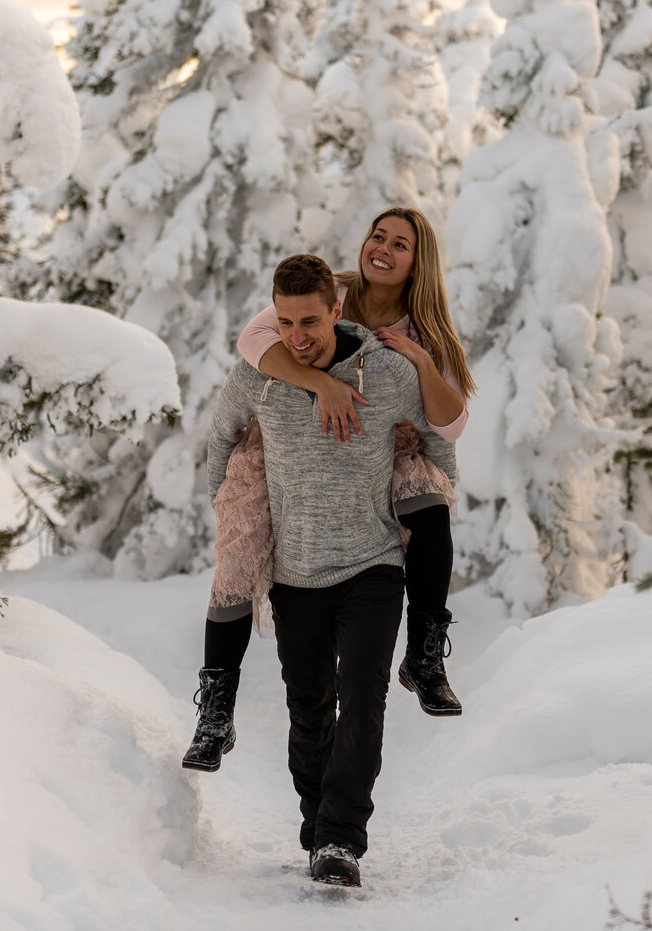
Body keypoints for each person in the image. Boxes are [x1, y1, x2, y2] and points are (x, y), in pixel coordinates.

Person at [182, 208, 476, 777]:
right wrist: (321, 383)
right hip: (287, 448)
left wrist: (416, 358)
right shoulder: (328, 289)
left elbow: (450, 425)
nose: (384, 249)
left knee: (428, 499)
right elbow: (253, 340)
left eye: (401, 244)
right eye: (378, 236)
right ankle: (217, 708)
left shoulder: (426, 330)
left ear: (420, 263)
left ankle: (424, 649)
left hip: (381, 452)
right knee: (238, 558)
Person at [204, 254, 457, 887]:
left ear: (336, 310)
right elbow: (221, 434)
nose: (299, 336)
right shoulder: (261, 377)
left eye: (310, 321)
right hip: (296, 572)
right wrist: (228, 505)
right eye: (286, 323)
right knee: (309, 709)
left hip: (373, 567)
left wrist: (437, 486)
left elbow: (439, 431)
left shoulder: (387, 372)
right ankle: (317, 825)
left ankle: (342, 838)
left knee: (362, 704)